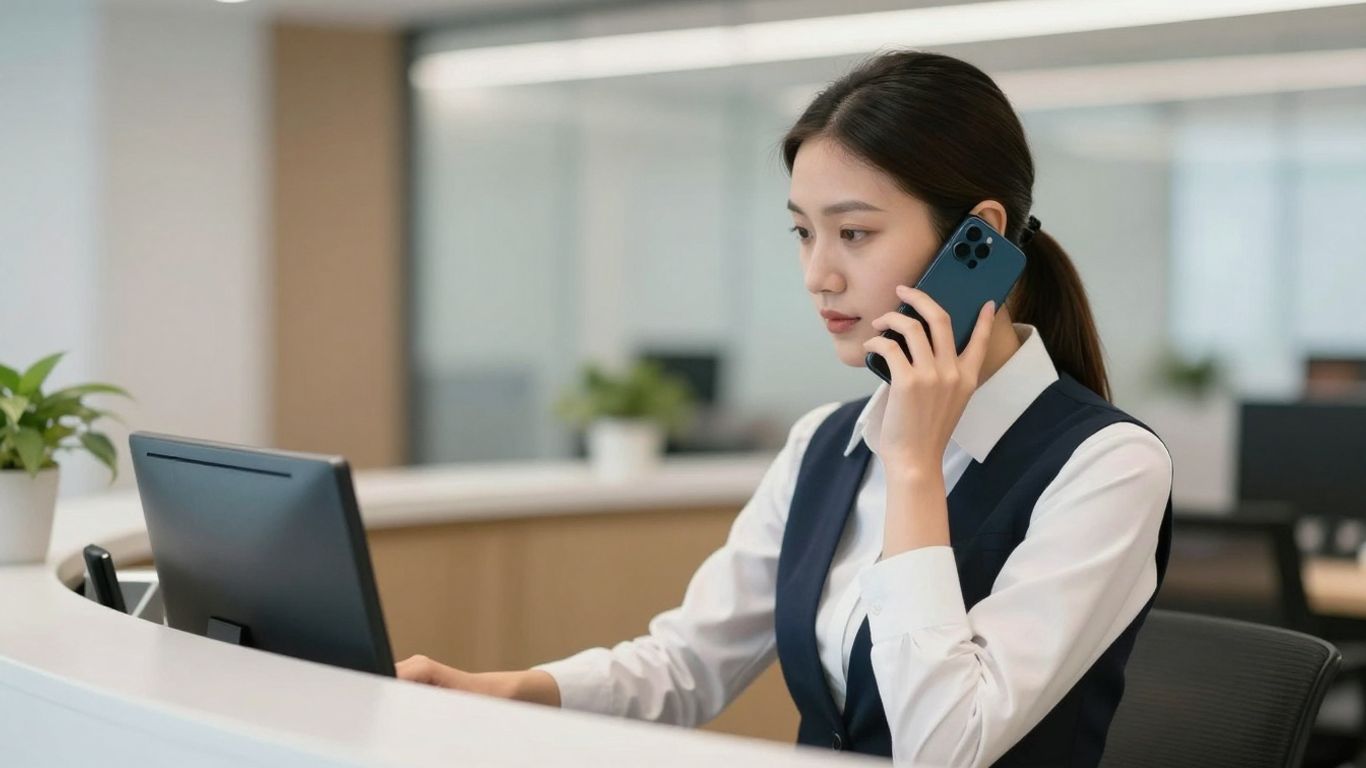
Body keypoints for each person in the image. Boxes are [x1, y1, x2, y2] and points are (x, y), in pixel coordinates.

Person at [397, 50, 1173, 768]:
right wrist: (499, 689)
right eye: (804, 233)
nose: (818, 274)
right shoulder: (825, 444)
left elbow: (947, 746)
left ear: (979, 239)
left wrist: (912, 469)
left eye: (855, 233)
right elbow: (688, 665)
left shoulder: (1107, 467)